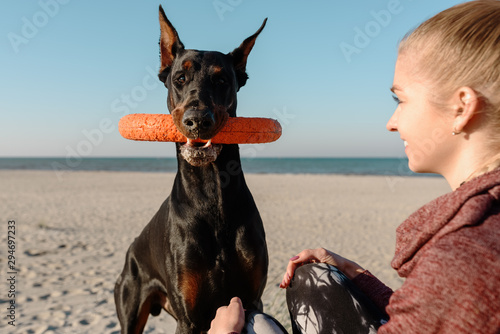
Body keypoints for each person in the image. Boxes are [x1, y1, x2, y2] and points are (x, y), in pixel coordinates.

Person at [209, 1, 500, 333]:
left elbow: (456, 292)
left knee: (254, 324)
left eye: (400, 100)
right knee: (312, 278)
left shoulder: (464, 257)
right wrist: (356, 275)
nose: (392, 123)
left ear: (462, 107)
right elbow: (437, 318)